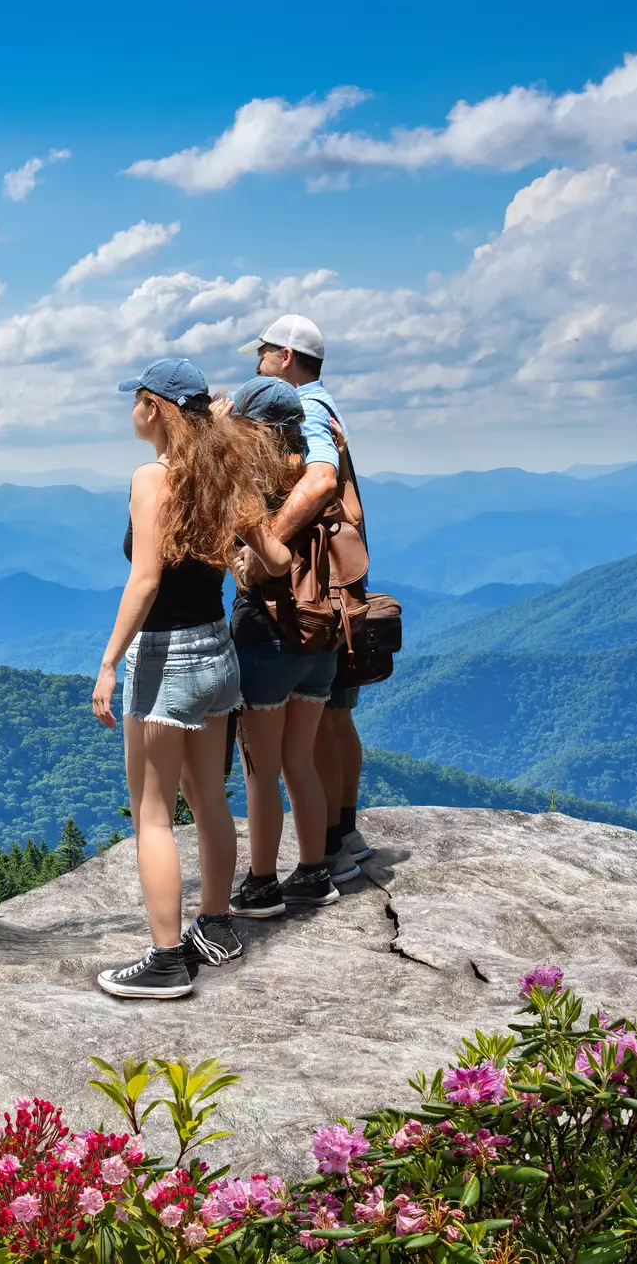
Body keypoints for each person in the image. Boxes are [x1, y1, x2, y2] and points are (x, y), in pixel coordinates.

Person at [91, 358, 261, 1001]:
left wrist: (110, 662)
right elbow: (268, 557)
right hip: (219, 653)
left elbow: (146, 579)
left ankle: (166, 961)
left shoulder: (151, 476)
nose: (131, 412)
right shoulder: (221, 475)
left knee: (153, 816)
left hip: (168, 658)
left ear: (154, 407)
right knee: (209, 798)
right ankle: (214, 925)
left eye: (135, 401)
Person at [234, 314, 369, 879]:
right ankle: (341, 836)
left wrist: (264, 547)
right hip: (338, 586)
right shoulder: (328, 404)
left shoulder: (305, 409)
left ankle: (328, 848)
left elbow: (317, 482)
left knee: (295, 745)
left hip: (301, 595)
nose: (257, 361)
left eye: (263, 353)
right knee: (332, 716)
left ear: (286, 356)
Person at [221, 376, 336, 917]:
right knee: (300, 763)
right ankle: (314, 872)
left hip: (266, 633)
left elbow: (256, 559)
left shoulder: (255, 482)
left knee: (261, 770)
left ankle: (262, 883)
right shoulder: (316, 473)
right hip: (323, 631)